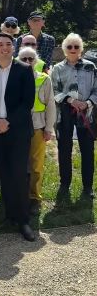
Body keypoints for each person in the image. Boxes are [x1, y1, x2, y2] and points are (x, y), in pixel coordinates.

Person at [0, 32, 36, 241]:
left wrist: (8, 121)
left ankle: (23, 220)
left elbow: (27, 103)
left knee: (19, 174)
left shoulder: (24, 70)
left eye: (7, 44)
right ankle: (10, 215)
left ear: (13, 47)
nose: (4, 48)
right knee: (4, 173)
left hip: (18, 130)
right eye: (0, 45)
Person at [51, 33, 97, 199]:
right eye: (69, 46)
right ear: (64, 49)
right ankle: (64, 184)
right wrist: (70, 100)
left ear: (81, 49)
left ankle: (88, 187)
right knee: (64, 149)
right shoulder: (57, 68)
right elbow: (54, 90)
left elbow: (96, 89)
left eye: (76, 46)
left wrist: (88, 103)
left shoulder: (91, 67)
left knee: (87, 151)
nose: (73, 49)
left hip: (87, 113)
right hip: (65, 113)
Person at [17, 46, 56, 209]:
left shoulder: (44, 79)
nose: (27, 62)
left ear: (36, 60)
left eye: (30, 59)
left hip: (38, 127)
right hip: (18, 129)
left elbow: (51, 105)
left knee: (36, 164)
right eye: (23, 59)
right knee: (19, 162)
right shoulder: (15, 78)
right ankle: (19, 195)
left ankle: (34, 197)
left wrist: (49, 128)